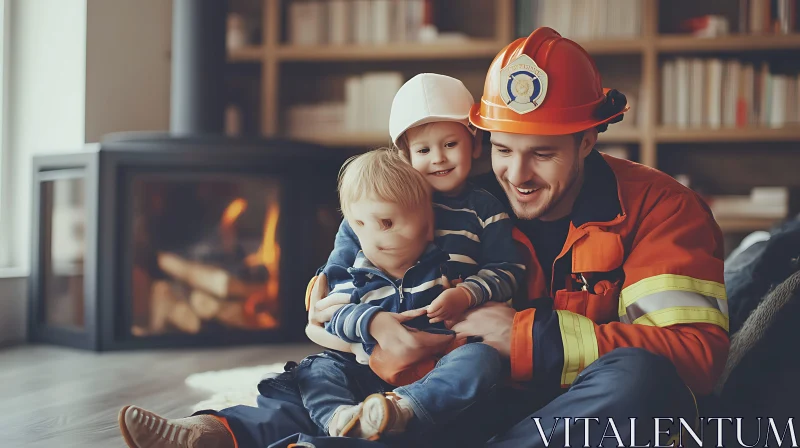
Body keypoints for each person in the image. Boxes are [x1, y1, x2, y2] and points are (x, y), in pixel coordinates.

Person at [117, 27, 730, 448]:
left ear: (589, 139)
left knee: (644, 387)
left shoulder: (663, 209)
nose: (517, 175)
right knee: (338, 380)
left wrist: (521, 336)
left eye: (542, 154)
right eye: (503, 149)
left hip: (556, 407)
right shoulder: (468, 198)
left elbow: (696, 358)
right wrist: (334, 305)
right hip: (448, 387)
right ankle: (217, 435)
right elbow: (374, 237)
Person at [289, 148, 505, 441]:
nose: (373, 239)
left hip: (431, 373)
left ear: (428, 226)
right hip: (366, 368)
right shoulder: (356, 269)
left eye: (387, 224)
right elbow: (333, 315)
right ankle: (342, 420)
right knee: (315, 369)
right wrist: (372, 322)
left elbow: (496, 279)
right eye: (360, 226)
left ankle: (401, 413)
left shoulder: (443, 266)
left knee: (482, 359)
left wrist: (465, 295)